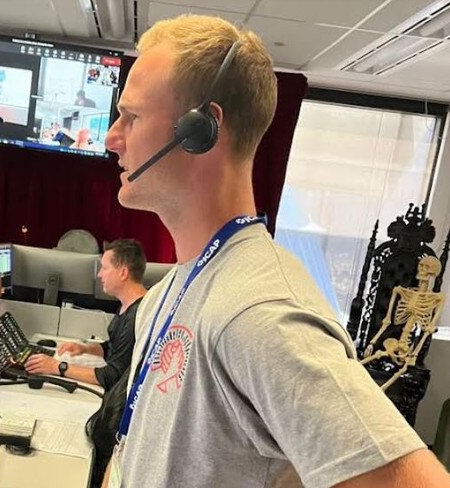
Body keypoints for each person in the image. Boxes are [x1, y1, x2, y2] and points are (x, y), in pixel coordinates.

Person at [102, 14, 449, 488]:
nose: (111, 138)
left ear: (200, 130)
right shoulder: (173, 291)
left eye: (132, 116)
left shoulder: (258, 311)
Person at [25, 239, 147, 390]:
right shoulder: (129, 305)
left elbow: (112, 377)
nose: (99, 274)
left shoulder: (137, 315)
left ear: (123, 273)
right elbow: (114, 348)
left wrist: (58, 367)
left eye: (104, 268)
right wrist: (84, 348)